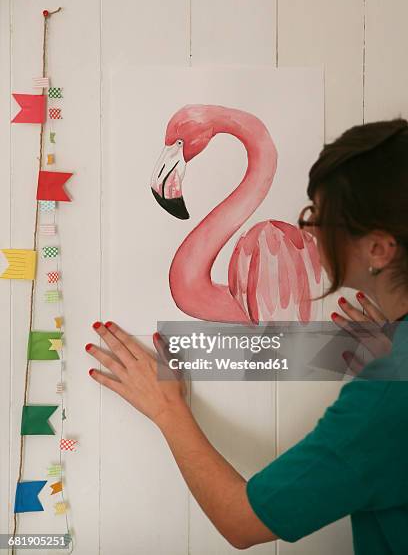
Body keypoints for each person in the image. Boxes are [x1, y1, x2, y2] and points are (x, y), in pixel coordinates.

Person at [85, 118, 408, 554]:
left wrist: (168, 410)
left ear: (379, 249)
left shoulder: (388, 395)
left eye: (319, 217)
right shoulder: (392, 362)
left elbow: (243, 522)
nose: (310, 232)